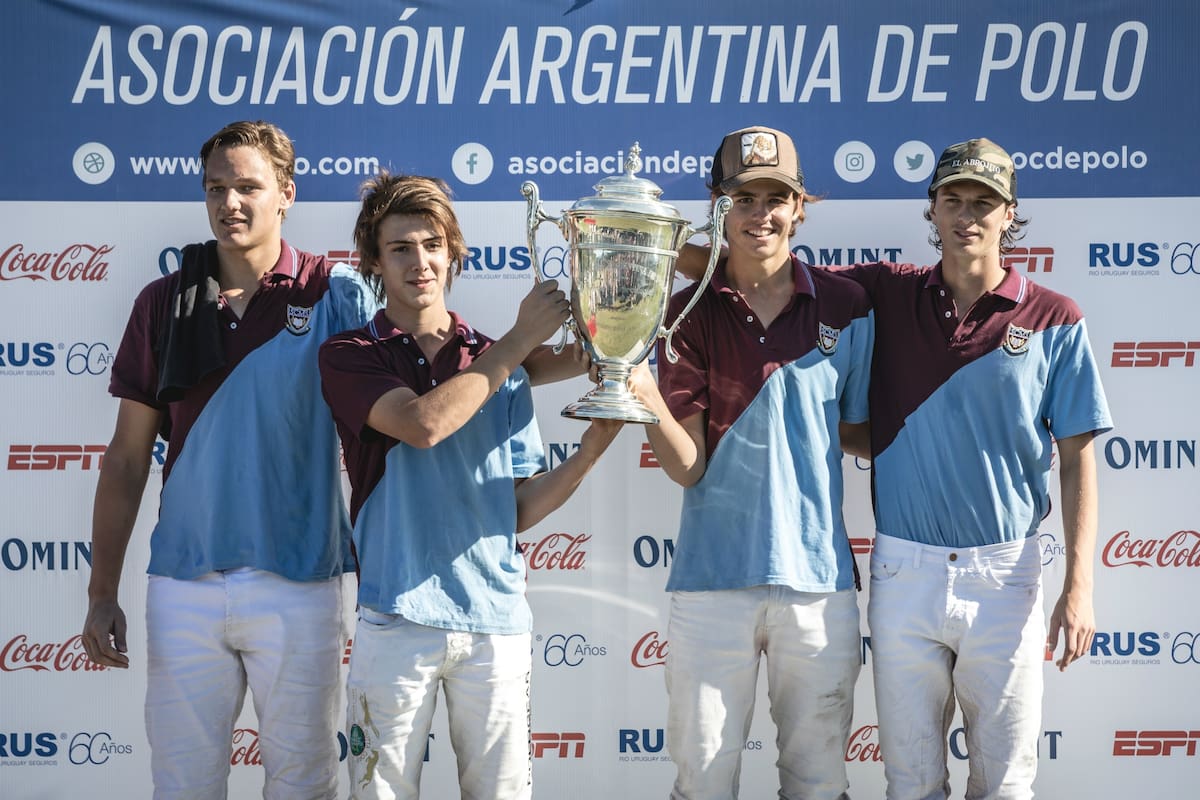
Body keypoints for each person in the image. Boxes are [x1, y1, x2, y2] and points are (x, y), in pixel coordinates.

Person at [678, 137, 1111, 799]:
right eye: (953, 199)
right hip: (904, 570)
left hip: (1007, 573)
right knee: (911, 784)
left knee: (1006, 786)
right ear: (932, 210)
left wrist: (1079, 587)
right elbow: (762, 268)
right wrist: (638, 266)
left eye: (984, 202)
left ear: (1009, 214)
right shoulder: (885, 290)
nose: (967, 215)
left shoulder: (1056, 317)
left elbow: (1079, 460)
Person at [81, 119, 379, 798]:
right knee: (183, 786)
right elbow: (127, 460)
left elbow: (393, 433)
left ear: (287, 194)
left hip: (300, 580)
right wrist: (101, 592)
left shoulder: (337, 297)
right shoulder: (163, 301)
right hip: (184, 583)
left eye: (248, 186)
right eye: (216, 187)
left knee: (303, 783)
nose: (230, 202)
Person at [317, 172, 621, 800]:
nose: (420, 261)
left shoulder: (493, 360)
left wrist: (591, 452)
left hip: (496, 623)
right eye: (400, 247)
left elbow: (516, 506)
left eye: (432, 243)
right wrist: (518, 342)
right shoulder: (350, 353)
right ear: (374, 260)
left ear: (453, 252)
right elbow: (423, 425)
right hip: (395, 616)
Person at [630, 125, 874, 799]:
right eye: (744, 198)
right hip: (713, 584)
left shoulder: (847, 304)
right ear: (717, 207)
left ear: (800, 208)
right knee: (703, 784)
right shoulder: (682, 314)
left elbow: (857, 430)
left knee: (819, 782)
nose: (760, 213)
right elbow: (686, 468)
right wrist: (646, 398)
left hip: (819, 582)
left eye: (776, 197)